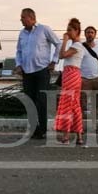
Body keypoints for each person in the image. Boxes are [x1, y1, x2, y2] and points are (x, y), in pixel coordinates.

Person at [14, 8, 60, 140]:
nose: (21, 19)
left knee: (41, 100)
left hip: (42, 70)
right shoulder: (22, 33)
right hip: (27, 72)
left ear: (31, 17)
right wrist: (18, 64)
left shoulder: (44, 29)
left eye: (23, 17)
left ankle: (43, 129)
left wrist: (54, 61)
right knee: (30, 101)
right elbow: (18, 51)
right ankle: (34, 129)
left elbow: (58, 43)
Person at [55, 18, 86, 145]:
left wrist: (65, 41)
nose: (67, 32)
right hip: (72, 75)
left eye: (70, 30)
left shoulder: (76, 46)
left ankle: (66, 136)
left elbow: (61, 55)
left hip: (71, 75)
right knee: (75, 106)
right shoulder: (79, 46)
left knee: (68, 104)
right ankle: (79, 137)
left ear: (77, 31)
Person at [79, 25, 98, 123]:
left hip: (97, 79)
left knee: (97, 103)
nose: (90, 34)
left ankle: (94, 125)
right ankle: (80, 126)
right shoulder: (80, 47)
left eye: (92, 32)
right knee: (82, 103)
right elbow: (76, 62)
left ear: (95, 34)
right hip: (84, 79)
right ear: (85, 34)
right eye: (88, 32)